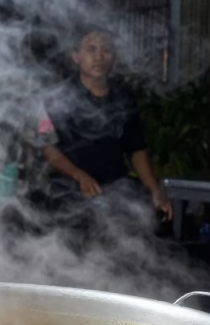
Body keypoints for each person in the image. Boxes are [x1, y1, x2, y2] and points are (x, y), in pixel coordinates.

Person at [36, 28, 171, 219]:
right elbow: (48, 147)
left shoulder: (124, 97)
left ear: (113, 57)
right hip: (69, 188)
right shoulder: (56, 99)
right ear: (76, 56)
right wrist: (78, 175)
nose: (99, 56)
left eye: (106, 49)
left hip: (116, 187)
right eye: (91, 49)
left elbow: (137, 149)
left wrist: (154, 189)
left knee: (145, 218)